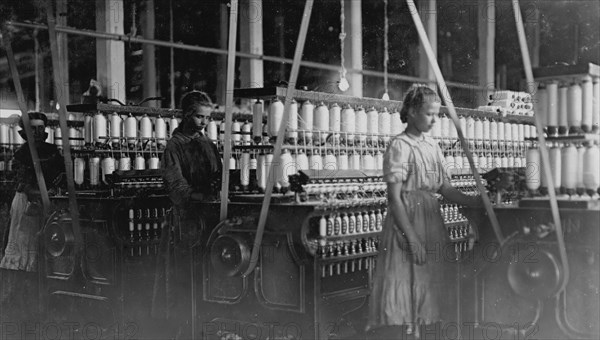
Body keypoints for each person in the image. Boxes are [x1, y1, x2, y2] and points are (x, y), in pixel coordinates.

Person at [367, 85, 482, 339]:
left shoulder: (432, 147)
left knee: (429, 289)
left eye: (436, 114)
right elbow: (394, 199)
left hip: (431, 222)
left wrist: (477, 201)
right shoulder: (399, 146)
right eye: (429, 114)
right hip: (406, 224)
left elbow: (446, 188)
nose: (434, 120)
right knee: (405, 289)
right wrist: (412, 238)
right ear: (411, 112)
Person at [152, 91, 222, 338]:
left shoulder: (207, 144)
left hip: (211, 216)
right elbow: (175, 185)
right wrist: (198, 196)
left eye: (208, 117)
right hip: (187, 220)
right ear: (186, 115)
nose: (204, 122)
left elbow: (218, 175)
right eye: (200, 117)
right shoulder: (174, 146)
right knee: (185, 278)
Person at [0, 112, 64, 322]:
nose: (37, 132)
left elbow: (61, 173)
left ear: (45, 130)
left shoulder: (53, 151)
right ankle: (22, 305)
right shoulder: (21, 154)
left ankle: (45, 300)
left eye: (40, 128)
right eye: (32, 128)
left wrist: (55, 190)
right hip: (27, 203)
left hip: (48, 202)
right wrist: (37, 194)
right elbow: (22, 180)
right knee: (24, 249)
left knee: (46, 250)